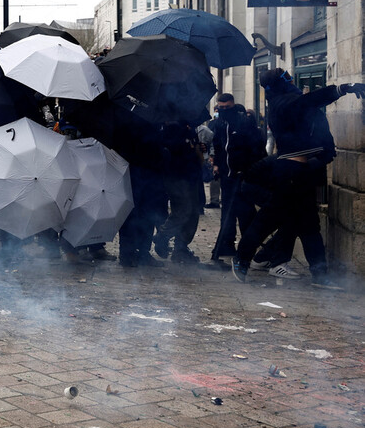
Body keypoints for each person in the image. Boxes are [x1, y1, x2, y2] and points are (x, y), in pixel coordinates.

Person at [231, 69, 365, 289]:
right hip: (288, 172)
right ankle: (242, 258)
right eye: (287, 79)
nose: (292, 82)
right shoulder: (282, 104)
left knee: (309, 225)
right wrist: (341, 89)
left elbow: (315, 123)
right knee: (269, 218)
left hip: (300, 174)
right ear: (278, 85)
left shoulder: (291, 104)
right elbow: (308, 101)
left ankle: (320, 275)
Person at [209, 93, 266, 263]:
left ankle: (249, 249)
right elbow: (219, 146)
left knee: (246, 214)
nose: (223, 110)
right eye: (221, 108)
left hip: (243, 177)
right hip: (227, 177)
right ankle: (226, 245)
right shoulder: (219, 123)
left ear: (233, 105)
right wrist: (217, 165)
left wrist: (248, 170)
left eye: (227, 107)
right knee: (227, 213)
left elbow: (256, 148)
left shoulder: (245, 122)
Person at [153, 119, 206, 264]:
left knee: (192, 213)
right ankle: (163, 235)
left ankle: (180, 248)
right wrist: (188, 146)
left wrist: (197, 148)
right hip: (177, 177)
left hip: (191, 176)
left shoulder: (189, 128)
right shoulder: (173, 128)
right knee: (183, 211)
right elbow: (172, 150)